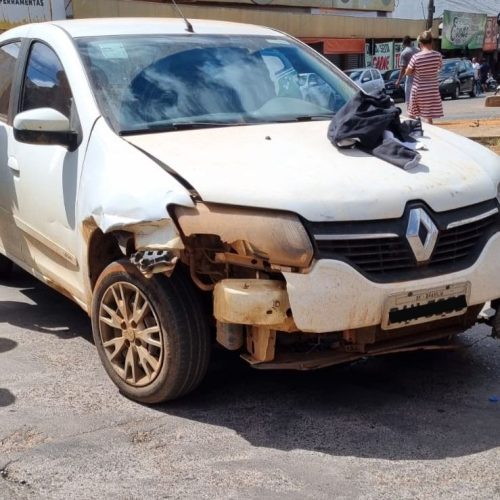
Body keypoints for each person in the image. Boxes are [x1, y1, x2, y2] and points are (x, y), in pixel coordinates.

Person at [405, 29, 443, 124]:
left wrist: (415, 72)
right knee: (428, 117)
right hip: (432, 90)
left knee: (412, 115)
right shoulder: (438, 56)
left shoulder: (416, 57)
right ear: (431, 42)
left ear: (420, 43)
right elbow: (438, 68)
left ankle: (414, 133)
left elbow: (408, 72)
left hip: (419, 89)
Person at [395, 35, 418, 103]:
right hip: (419, 78)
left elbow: (403, 68)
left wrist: (398, 80)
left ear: (403, 43)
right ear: (410, 42)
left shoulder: (405, 53)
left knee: (409, 100)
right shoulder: (418, 50)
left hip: (410, 78)